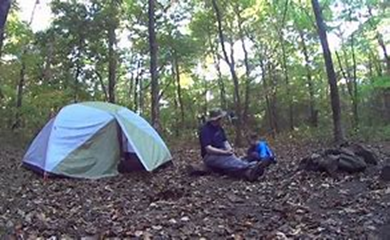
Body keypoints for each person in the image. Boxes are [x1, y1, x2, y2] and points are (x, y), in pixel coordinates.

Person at [199, 109, 264, 182]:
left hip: (222, 152)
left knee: (231, 160)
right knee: (228, 160)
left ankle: (249, 173)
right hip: (209, 156)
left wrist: (230, 149)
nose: (221, 120)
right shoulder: (205, 130)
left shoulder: (219, 128)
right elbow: (208, 149)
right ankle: (251, 166)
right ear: (216, 119)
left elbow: (225, 141)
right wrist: (225, 152)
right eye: (220, 118)